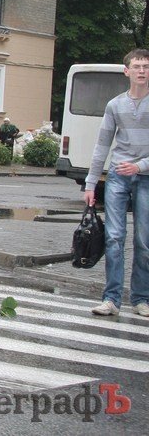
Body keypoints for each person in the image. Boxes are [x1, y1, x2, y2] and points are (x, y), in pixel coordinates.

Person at [84, 48, 149, 317]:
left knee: (144, 242)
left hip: (146, 178)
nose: (142, 71)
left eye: (146, 66)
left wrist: (140, 165)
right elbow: (102, 146)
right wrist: (90, 184)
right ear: (127, 71)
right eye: (137, 66)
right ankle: (111, 299)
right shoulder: (115, 105)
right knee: (113, 237)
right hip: (118, 179)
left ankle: (141, 299)